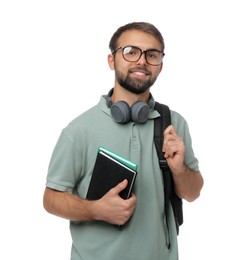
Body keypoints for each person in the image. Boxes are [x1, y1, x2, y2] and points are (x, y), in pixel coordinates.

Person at [43, 21, 204, 260]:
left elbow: (193, 193)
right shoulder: (78, 130)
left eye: (152, 54)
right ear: (111, 60)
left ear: (160, 66)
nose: (141, 61)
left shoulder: (173, 124)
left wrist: (179, 169)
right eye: (131, 51)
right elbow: (51, 199)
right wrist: (95, 210)